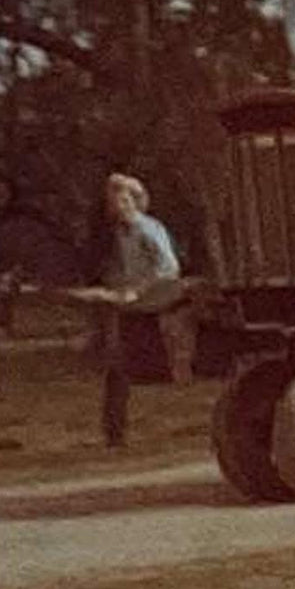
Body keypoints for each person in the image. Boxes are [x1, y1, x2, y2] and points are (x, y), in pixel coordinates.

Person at [96, 173, 181, 448]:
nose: (117, 206)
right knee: (116, 369)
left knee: (131, 369)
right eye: (113, 200)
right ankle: (114, 433)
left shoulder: (147, 229)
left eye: (123, 199)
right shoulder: (119, 234)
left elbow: (168, 267)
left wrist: (139, 289)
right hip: (130, 307)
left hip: (153, 306)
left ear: (135, 200)